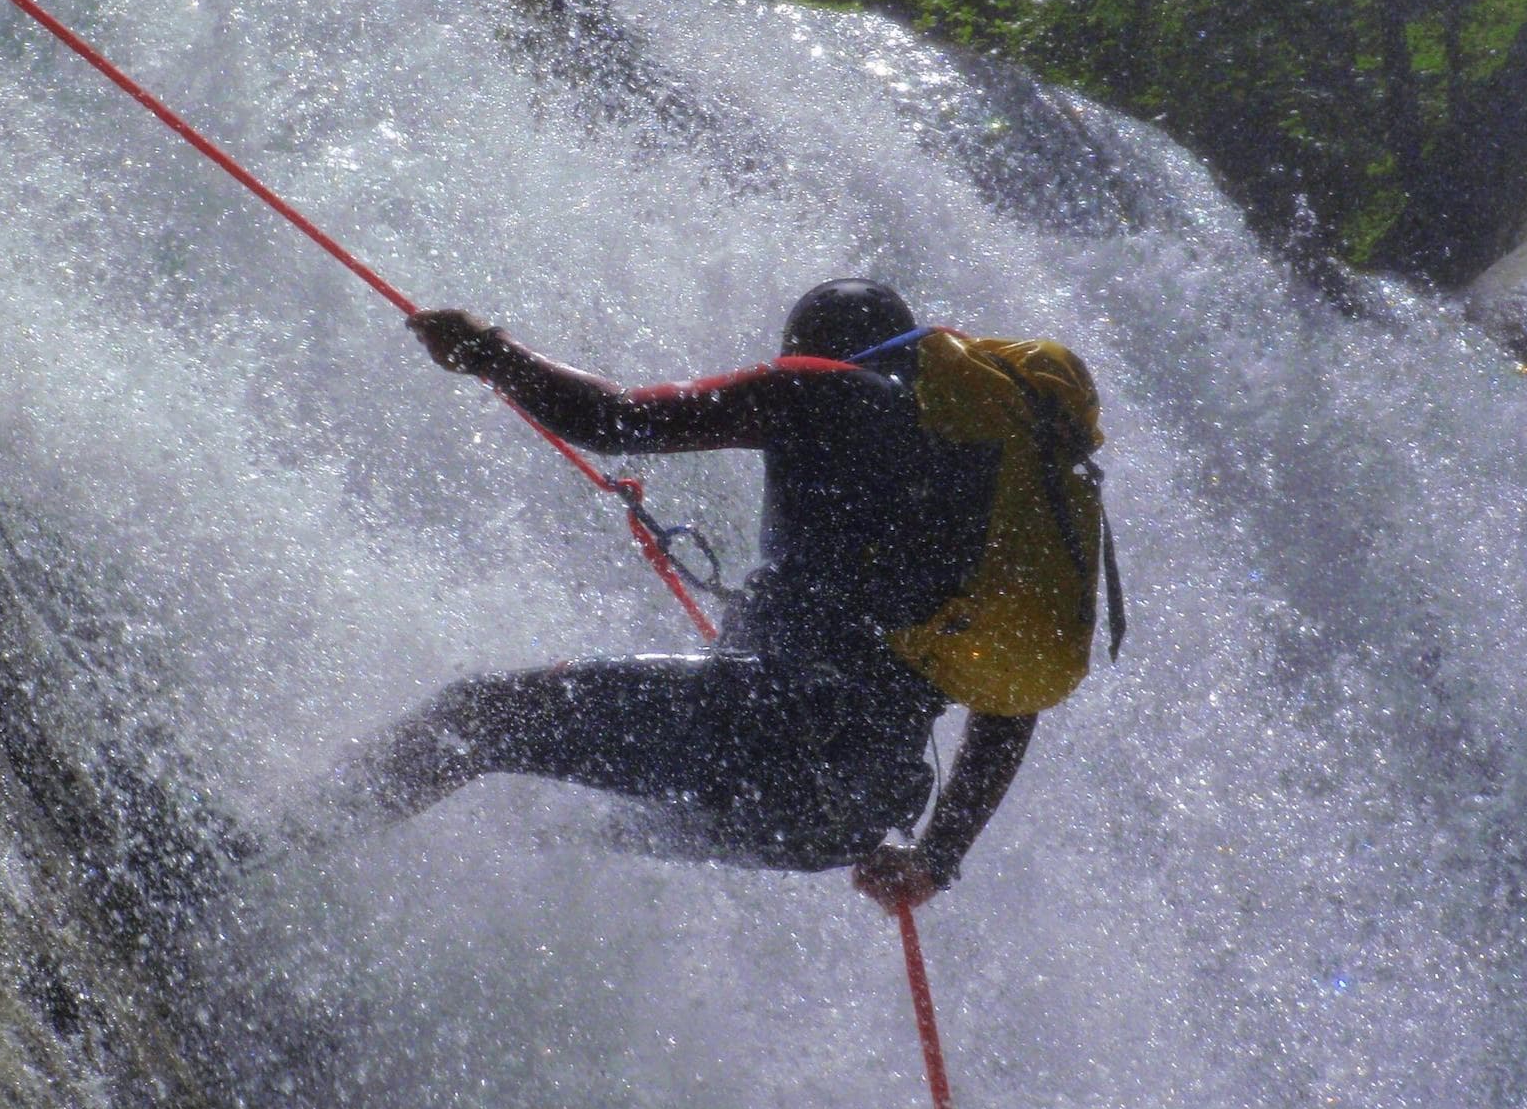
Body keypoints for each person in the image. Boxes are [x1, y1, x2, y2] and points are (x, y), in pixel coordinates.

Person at [330, 279, 1058, 912]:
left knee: (481, 719)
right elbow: (1013, 700)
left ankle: (239, 855)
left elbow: (614, 419)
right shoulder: (994, 484)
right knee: (558, 829)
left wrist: (489, 352)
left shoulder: (819, 390)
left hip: (765, 731)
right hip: (845, 815)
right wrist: (934, 861)